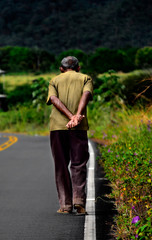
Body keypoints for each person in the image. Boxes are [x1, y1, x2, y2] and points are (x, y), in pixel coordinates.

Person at [46, 56, 93, 215]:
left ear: (61, 69)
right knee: (78, 164)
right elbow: (86, 95)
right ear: (78, 68)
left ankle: (65, 205)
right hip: (79, 128)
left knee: (61, 165)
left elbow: (53, 99)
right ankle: (79, 202)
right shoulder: (85, 78)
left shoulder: (54, 80)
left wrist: (68, 116)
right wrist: (77, 116)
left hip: (57, 128)